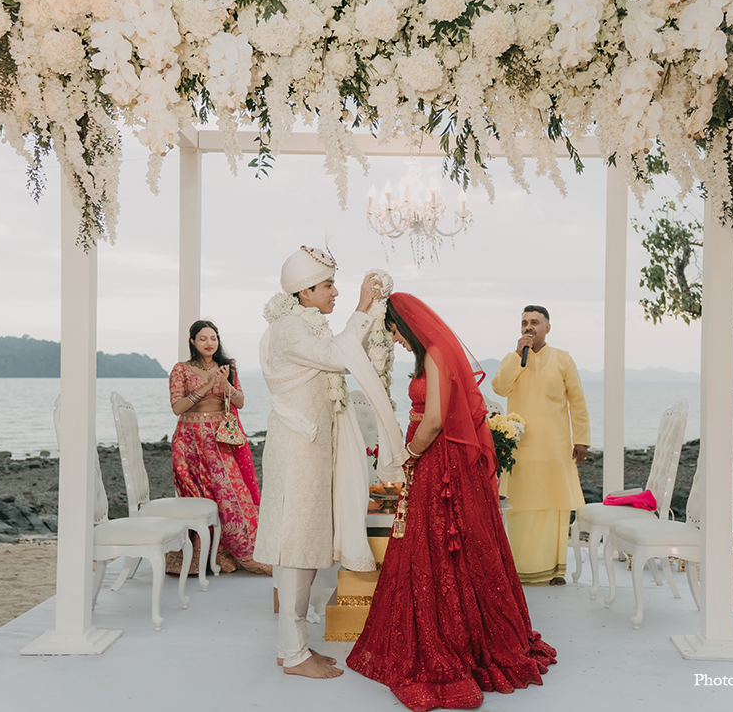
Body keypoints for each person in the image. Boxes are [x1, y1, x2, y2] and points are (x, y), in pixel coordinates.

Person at [347, 293, 556, 712]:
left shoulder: (437, 355)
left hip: (439, 461)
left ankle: (454, 638)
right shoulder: (437, 353)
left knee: (437, 543)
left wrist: (409, 454)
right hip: (440, 459)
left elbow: (437, 419)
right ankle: (460, 626)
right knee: (441, 545)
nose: (397, 341)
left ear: (405, 324)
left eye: (394, 332)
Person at [255, 246, 399, 680]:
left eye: (336, 285)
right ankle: (294, 653)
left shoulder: (306, 327)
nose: (335, 292)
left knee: (306, 543)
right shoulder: (288, 332)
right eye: (328, 286)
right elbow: (338, 357)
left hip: (311, 450)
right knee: (296, 545)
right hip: (299, 450)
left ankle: (293, 647)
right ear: (305, 292)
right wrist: (361, 308)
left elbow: (337, 351)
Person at [491, 305, 590, 585]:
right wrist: (516, 357)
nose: (528, 327)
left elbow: (577, 400)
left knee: (554, 506)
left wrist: (581, 439)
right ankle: (520, 569)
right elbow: (499, 388)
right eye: (524, 322)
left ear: (548, 327)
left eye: (535, 322)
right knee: (521, 507)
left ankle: (556, 570)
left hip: (555, 449)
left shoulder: (562, 359)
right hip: (521, 450)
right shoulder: (512, 360)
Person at [168, 320, 270, 575]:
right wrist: (206, 385)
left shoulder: (228, 366)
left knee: (231, 493)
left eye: (213, 338)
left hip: (219, 440)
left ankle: (247, 550)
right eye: (202, 338)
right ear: (192, 342)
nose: (209, 343)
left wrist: (225, 384)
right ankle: (205, 554)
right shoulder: (181, 369)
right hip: (189, 441)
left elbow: (241, 401)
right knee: (199, 499)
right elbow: (177, 408)